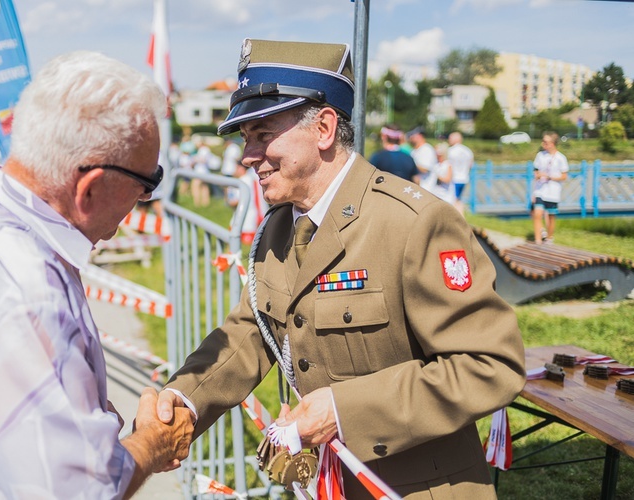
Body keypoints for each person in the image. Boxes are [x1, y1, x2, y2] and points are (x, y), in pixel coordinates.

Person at [157, 39, 525, 498]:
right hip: (326, 486)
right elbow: (252, 332)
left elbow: (489, 365)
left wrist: (342, 410)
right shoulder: (278, 228)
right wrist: (184, 401)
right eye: (245, 139)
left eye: (262, 134)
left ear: (324, 128)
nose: (248, 156)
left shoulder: (413, 223)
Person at [0, 51, 193, 498]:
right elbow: (74, 491)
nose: (143, 200)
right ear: (91, 187)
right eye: (146, 184)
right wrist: (152, 444)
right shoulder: (22, 283)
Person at [532, 131, 568, 244]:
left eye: (546, 142)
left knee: (551, 216)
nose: (543, 144)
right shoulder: (540, 156)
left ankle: (549, 237)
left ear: (552, 143)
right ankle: (537, 240)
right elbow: (535, 172)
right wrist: (539, 175)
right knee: (537, 214)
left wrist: (551, 177)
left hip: (553, 191)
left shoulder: (561, 158)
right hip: (540, 190)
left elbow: (564, 176)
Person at [226, 159, 269, 245]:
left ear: (240, 168)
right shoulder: (253, 178)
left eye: (236, 167)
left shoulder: (241, 181)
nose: (234, 170)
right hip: (257, 213)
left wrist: (226, 193)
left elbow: (234, 202)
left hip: (245, 217)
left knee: (240, 244)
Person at [447, 131, 474, 214]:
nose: (449, 140)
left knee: (452, 201)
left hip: (454, 178)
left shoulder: (450, 151)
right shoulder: (468, 151)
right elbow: (471, 165)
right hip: (464, 178)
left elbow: (447, 165)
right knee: (459, 200)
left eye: (450, 138)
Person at [407, 126, 438, 193]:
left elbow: (425, 169)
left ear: (420, 135)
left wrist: (408, 164)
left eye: (412, 135)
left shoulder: (426, 149)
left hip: (426, 190)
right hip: (416, 189)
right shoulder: (413, 151)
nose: (410, 138)